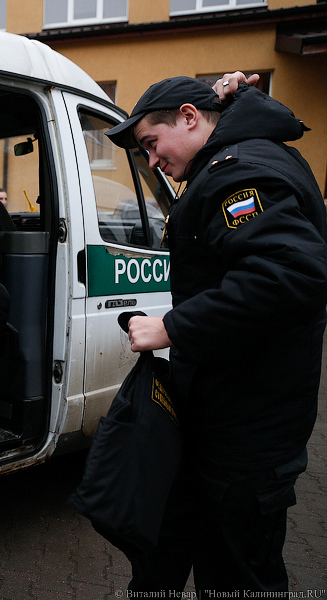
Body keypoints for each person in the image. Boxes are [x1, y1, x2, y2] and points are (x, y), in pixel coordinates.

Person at [105, 73, 327, 597]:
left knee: (238, 577)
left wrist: (173, 327)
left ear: (188, 117)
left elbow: (289, 275)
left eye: (152, 145)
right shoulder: (239, 158)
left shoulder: (238, 174)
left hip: (247, 439)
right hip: (233, 421)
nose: (153, 162)